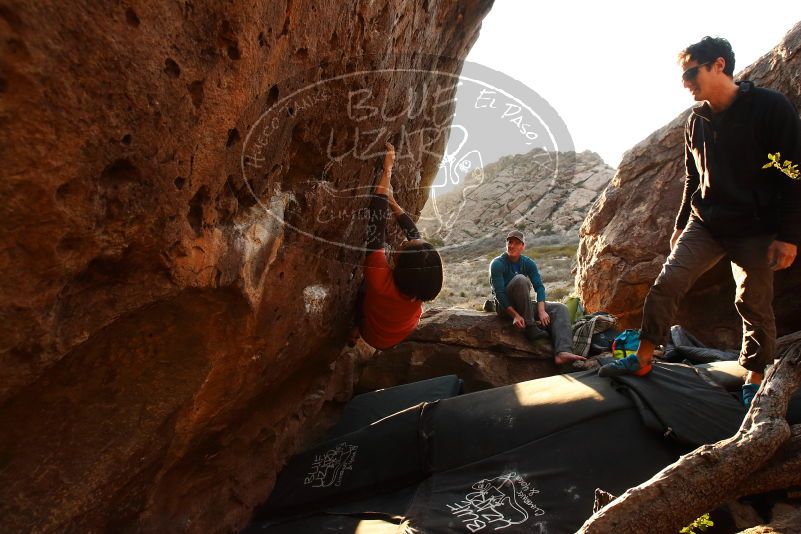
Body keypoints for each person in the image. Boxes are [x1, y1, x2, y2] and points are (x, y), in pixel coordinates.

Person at [599, 37, 801, 407]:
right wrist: (679, 224)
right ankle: (643, 358)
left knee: (754, 302)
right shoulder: (697, 121)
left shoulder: (769, 108)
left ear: (718, 65)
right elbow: (693, 179)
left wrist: (789, 236)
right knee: (668, 282)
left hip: (755, 228)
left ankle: (755, 378)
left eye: (691, 72)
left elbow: (792, 173)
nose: (685, 82)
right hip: (705, 223)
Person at [350, 142, 444, 350]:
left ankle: (357, 326)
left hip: (373, 336)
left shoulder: (379, 278)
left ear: (401, 267)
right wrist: (392, 200)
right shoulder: (419, 286)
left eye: (403, 248)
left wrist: (387, 170)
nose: (404, 241)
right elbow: (414, 237)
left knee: (362, 288)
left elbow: (377, 221)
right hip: (397, 335)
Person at [489, 230, 586, 366]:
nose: (512, 246)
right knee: (520, 280)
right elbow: (499, 294)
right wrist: (516, 315)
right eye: (510, 242)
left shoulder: (528, 263)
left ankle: (562, 352)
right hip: (505, 307)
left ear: (523, 246)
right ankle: (530, 327)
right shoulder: (497, 263)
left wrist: (541, 310)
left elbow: (539, 287)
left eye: (517, 243)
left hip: (524, 305)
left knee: (560, 308)